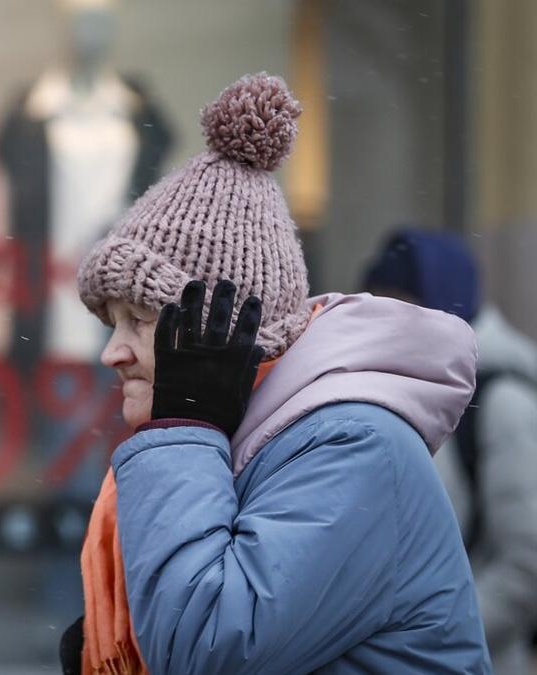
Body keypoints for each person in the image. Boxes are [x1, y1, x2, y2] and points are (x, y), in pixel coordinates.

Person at [63, 73, 490, 674]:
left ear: (221, 331)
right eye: (113, 322)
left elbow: (208, 651)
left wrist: (186, 427)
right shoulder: (240, 443)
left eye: (137, 319)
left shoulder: (354, 445)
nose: (113, 351)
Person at [365, 228, 537, 675]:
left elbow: (527, 563)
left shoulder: (501, 403)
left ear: (442, 303)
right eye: (378, 306)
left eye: (404, 305)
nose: (387, 326)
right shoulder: (396, 393)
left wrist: (431, 639)